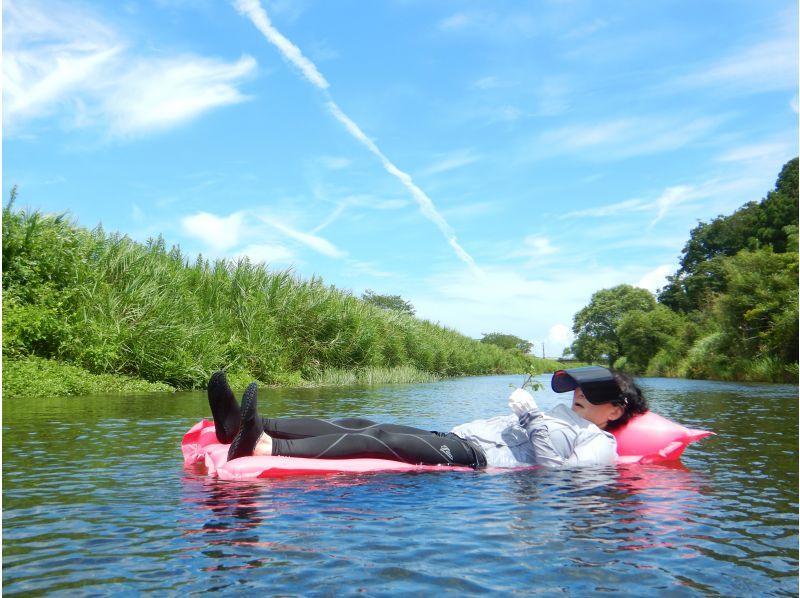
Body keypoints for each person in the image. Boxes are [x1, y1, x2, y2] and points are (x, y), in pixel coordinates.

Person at [208, 366, 648, 469]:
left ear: (615, 410)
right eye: (579, 389)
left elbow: (553, 472)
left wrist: (531, 418)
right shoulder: (562, 414)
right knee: (363, 422)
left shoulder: (601, 445)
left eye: (591, 394)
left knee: (378, 437)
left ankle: (264, 445)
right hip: (457, 438)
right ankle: (251, 424)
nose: (580, 394)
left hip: (475, 462)